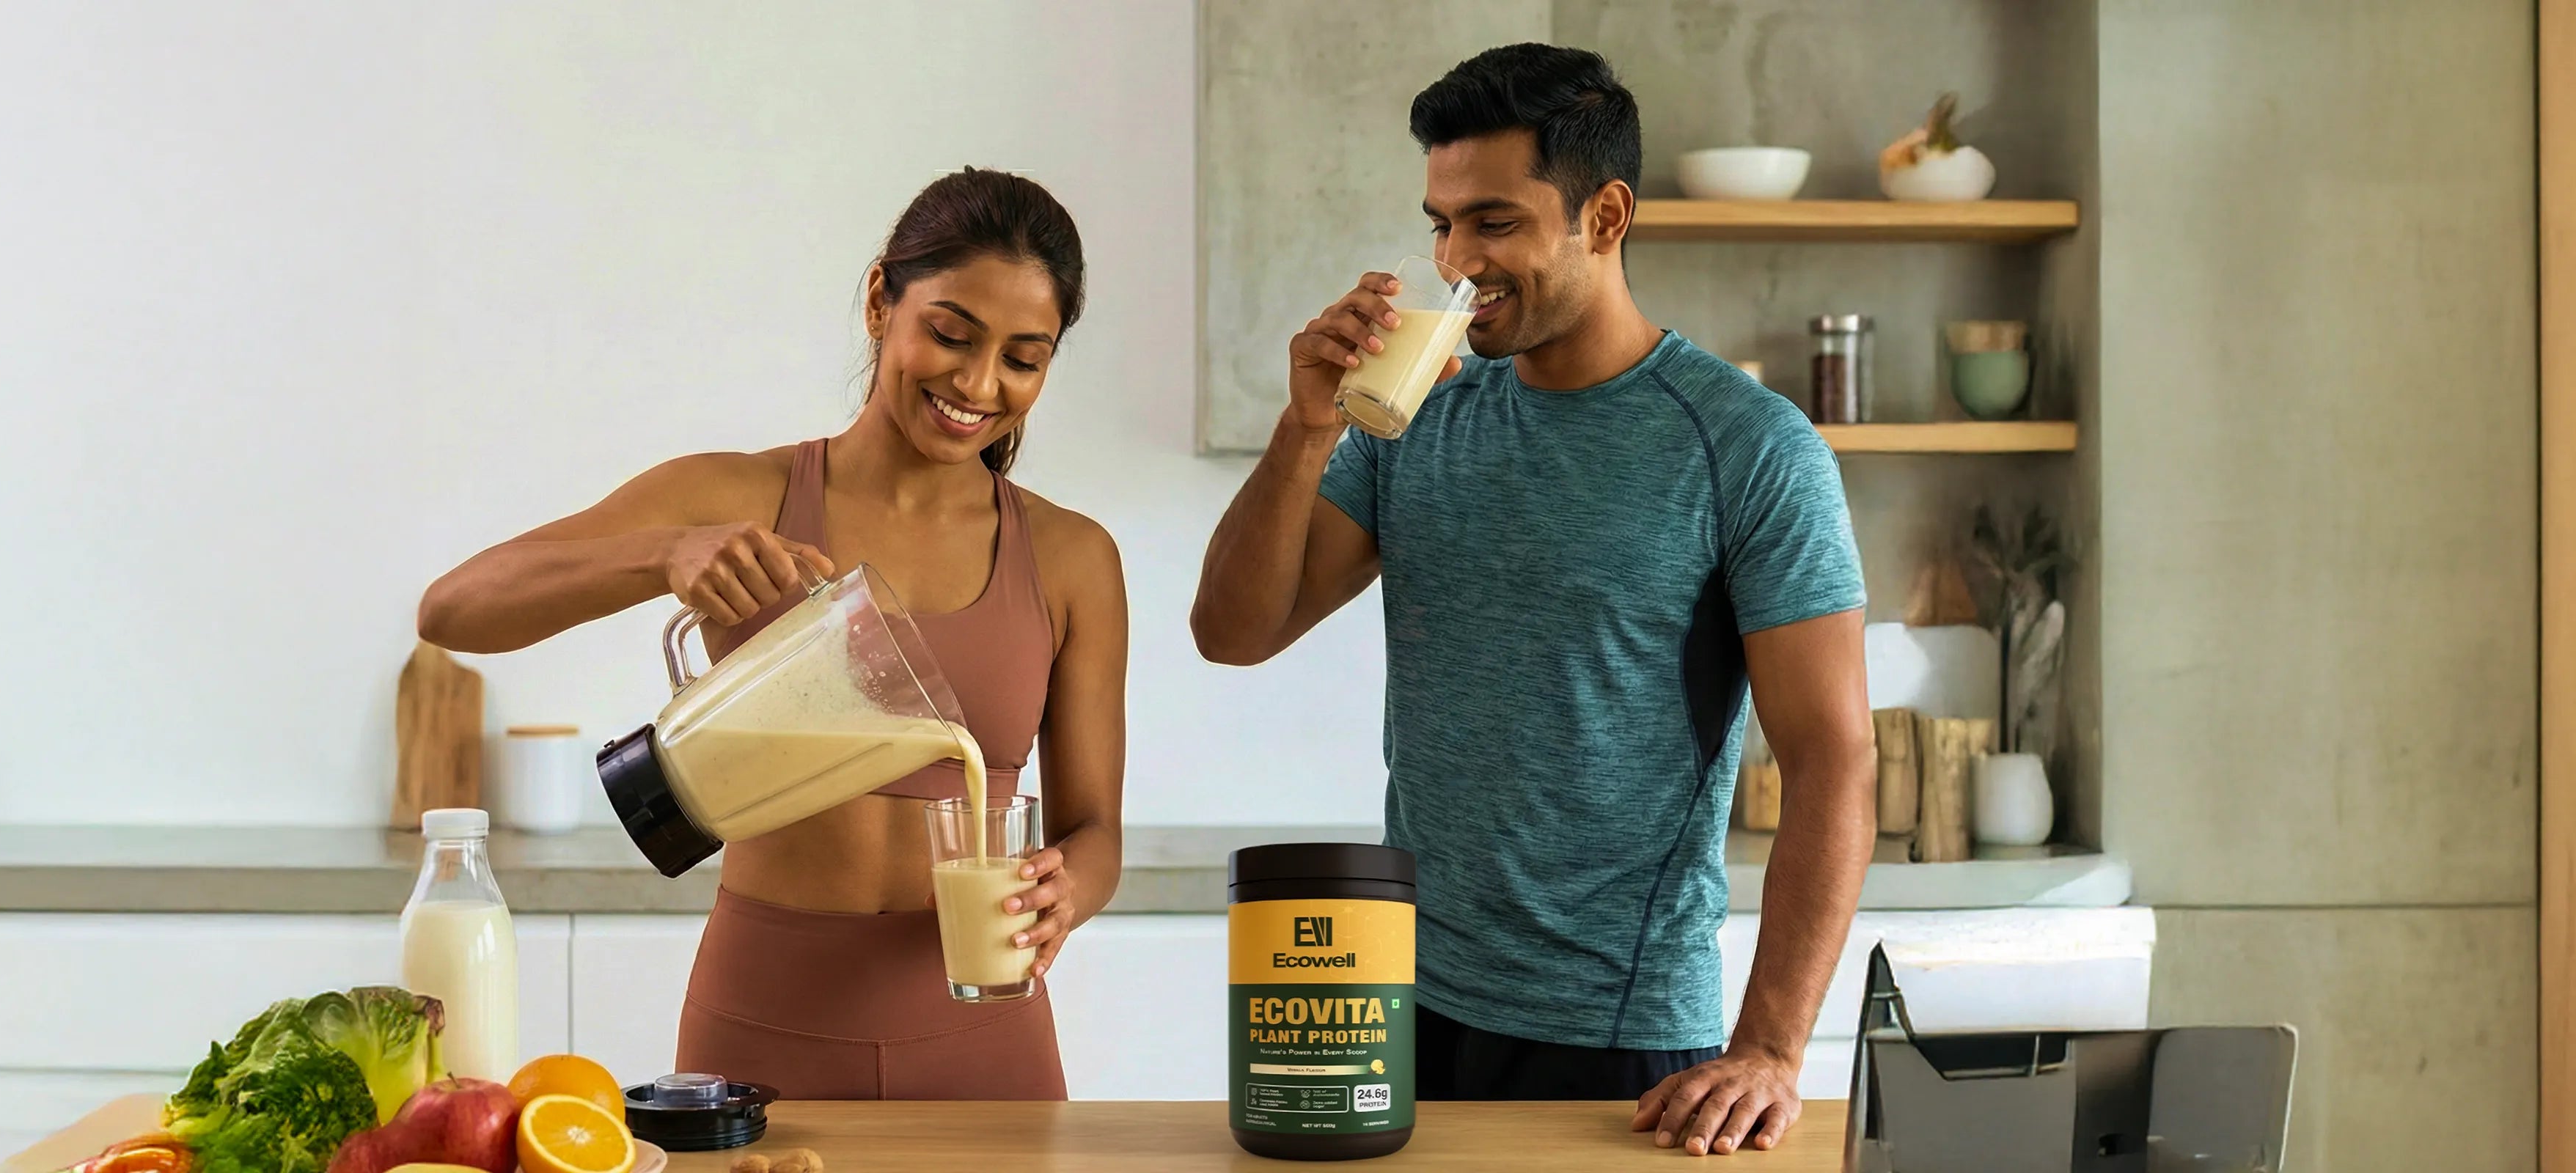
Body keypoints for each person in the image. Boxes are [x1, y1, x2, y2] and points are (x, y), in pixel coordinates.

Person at [1189, 45, 1873, 1155]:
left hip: (1627, 1037)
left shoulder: (1747, 448)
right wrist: (1308, 425)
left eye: (1494, 223)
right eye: (1441, 223)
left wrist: (1771, 1051)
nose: (1458, 261)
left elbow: (1836, 759)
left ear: (1603, 217)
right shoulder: (1418, 416)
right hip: (1404, 1000)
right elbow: (1234, 631)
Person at [419, 168, 1127, 1100]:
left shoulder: (1073, 558)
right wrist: (663, 552)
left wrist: (1069, 887)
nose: (977, 383)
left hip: (988, 1036)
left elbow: (1095, 829)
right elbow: (455, 608)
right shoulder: (740, 498)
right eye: (950, 335)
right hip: (760, 1024)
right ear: (882, 300)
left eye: (1022, 359)